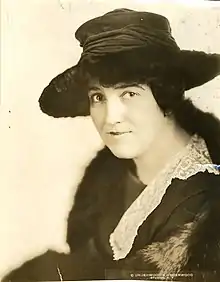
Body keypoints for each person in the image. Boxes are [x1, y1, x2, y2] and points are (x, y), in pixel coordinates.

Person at [3, 8, 220, 282]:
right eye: (98, 97)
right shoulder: (111, 176)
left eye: (129, 93)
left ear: (166, 93)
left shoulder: (205, 204)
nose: (110, 118)